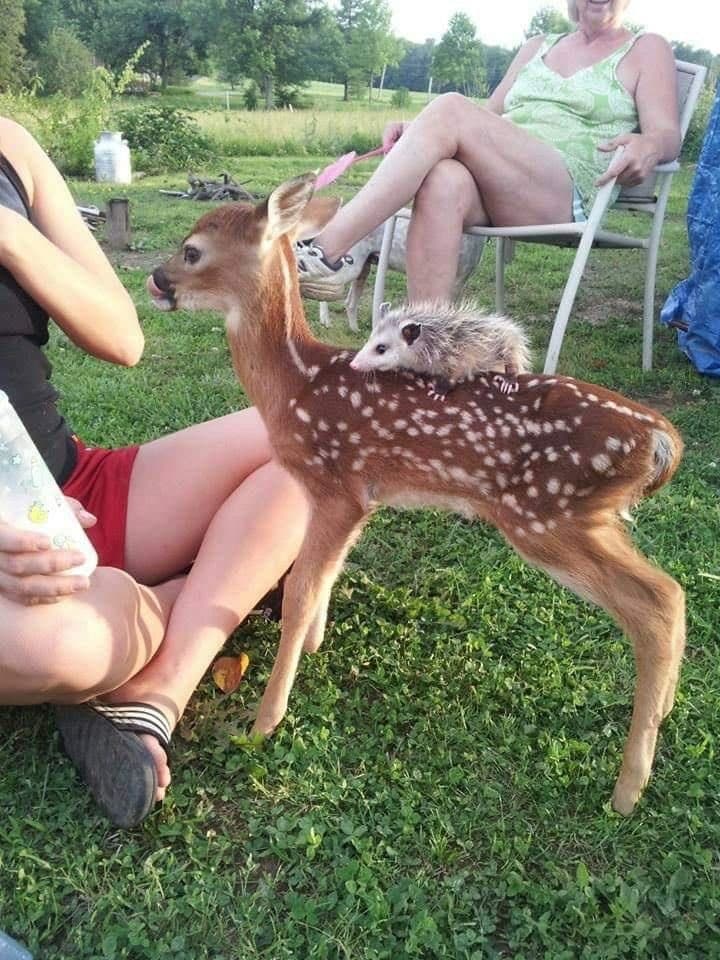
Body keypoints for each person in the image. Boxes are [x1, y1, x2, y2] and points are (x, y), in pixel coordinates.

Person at [0, 116, 309, 828]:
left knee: (317, 438)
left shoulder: (12, 146)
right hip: (19, 566)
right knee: (57, 644)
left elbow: (123, 335)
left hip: (70, 489)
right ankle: (192, 594)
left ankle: (159, 687)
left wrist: (12, 235)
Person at [297, 0, 680, 303]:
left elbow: (667, 135)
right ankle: (426, 346)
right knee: (443, 179)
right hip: (502, 187)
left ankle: (326, 251)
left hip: (566, 188)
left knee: (449, 107)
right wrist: (420, 133)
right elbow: (486, 118)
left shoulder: (646, 48)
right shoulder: (537, 47)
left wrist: (649, 143)